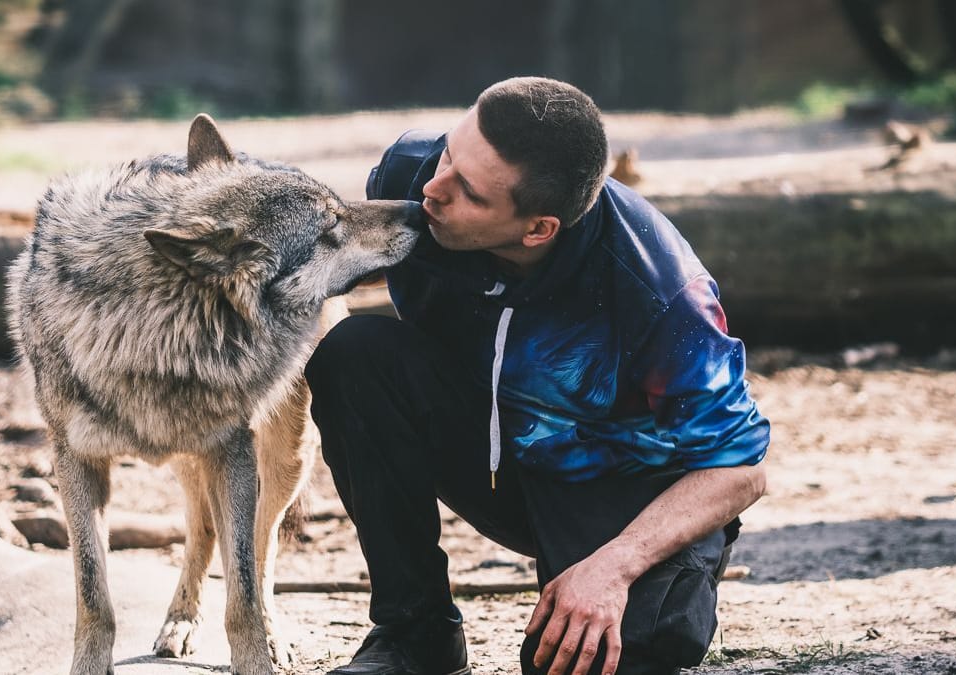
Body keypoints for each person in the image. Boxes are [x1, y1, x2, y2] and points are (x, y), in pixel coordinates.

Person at [304, 76, 770, 675]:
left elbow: (740, 468)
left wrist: (615, 565)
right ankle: (415, 633)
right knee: (357, 352)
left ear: (538, 229)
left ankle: (639, 593)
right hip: (491, 452)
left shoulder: (658, 291)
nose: (432, 189)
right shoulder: (412, 177)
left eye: (467, 191)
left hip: (617, 492)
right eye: (449, 151)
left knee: (601, 656)